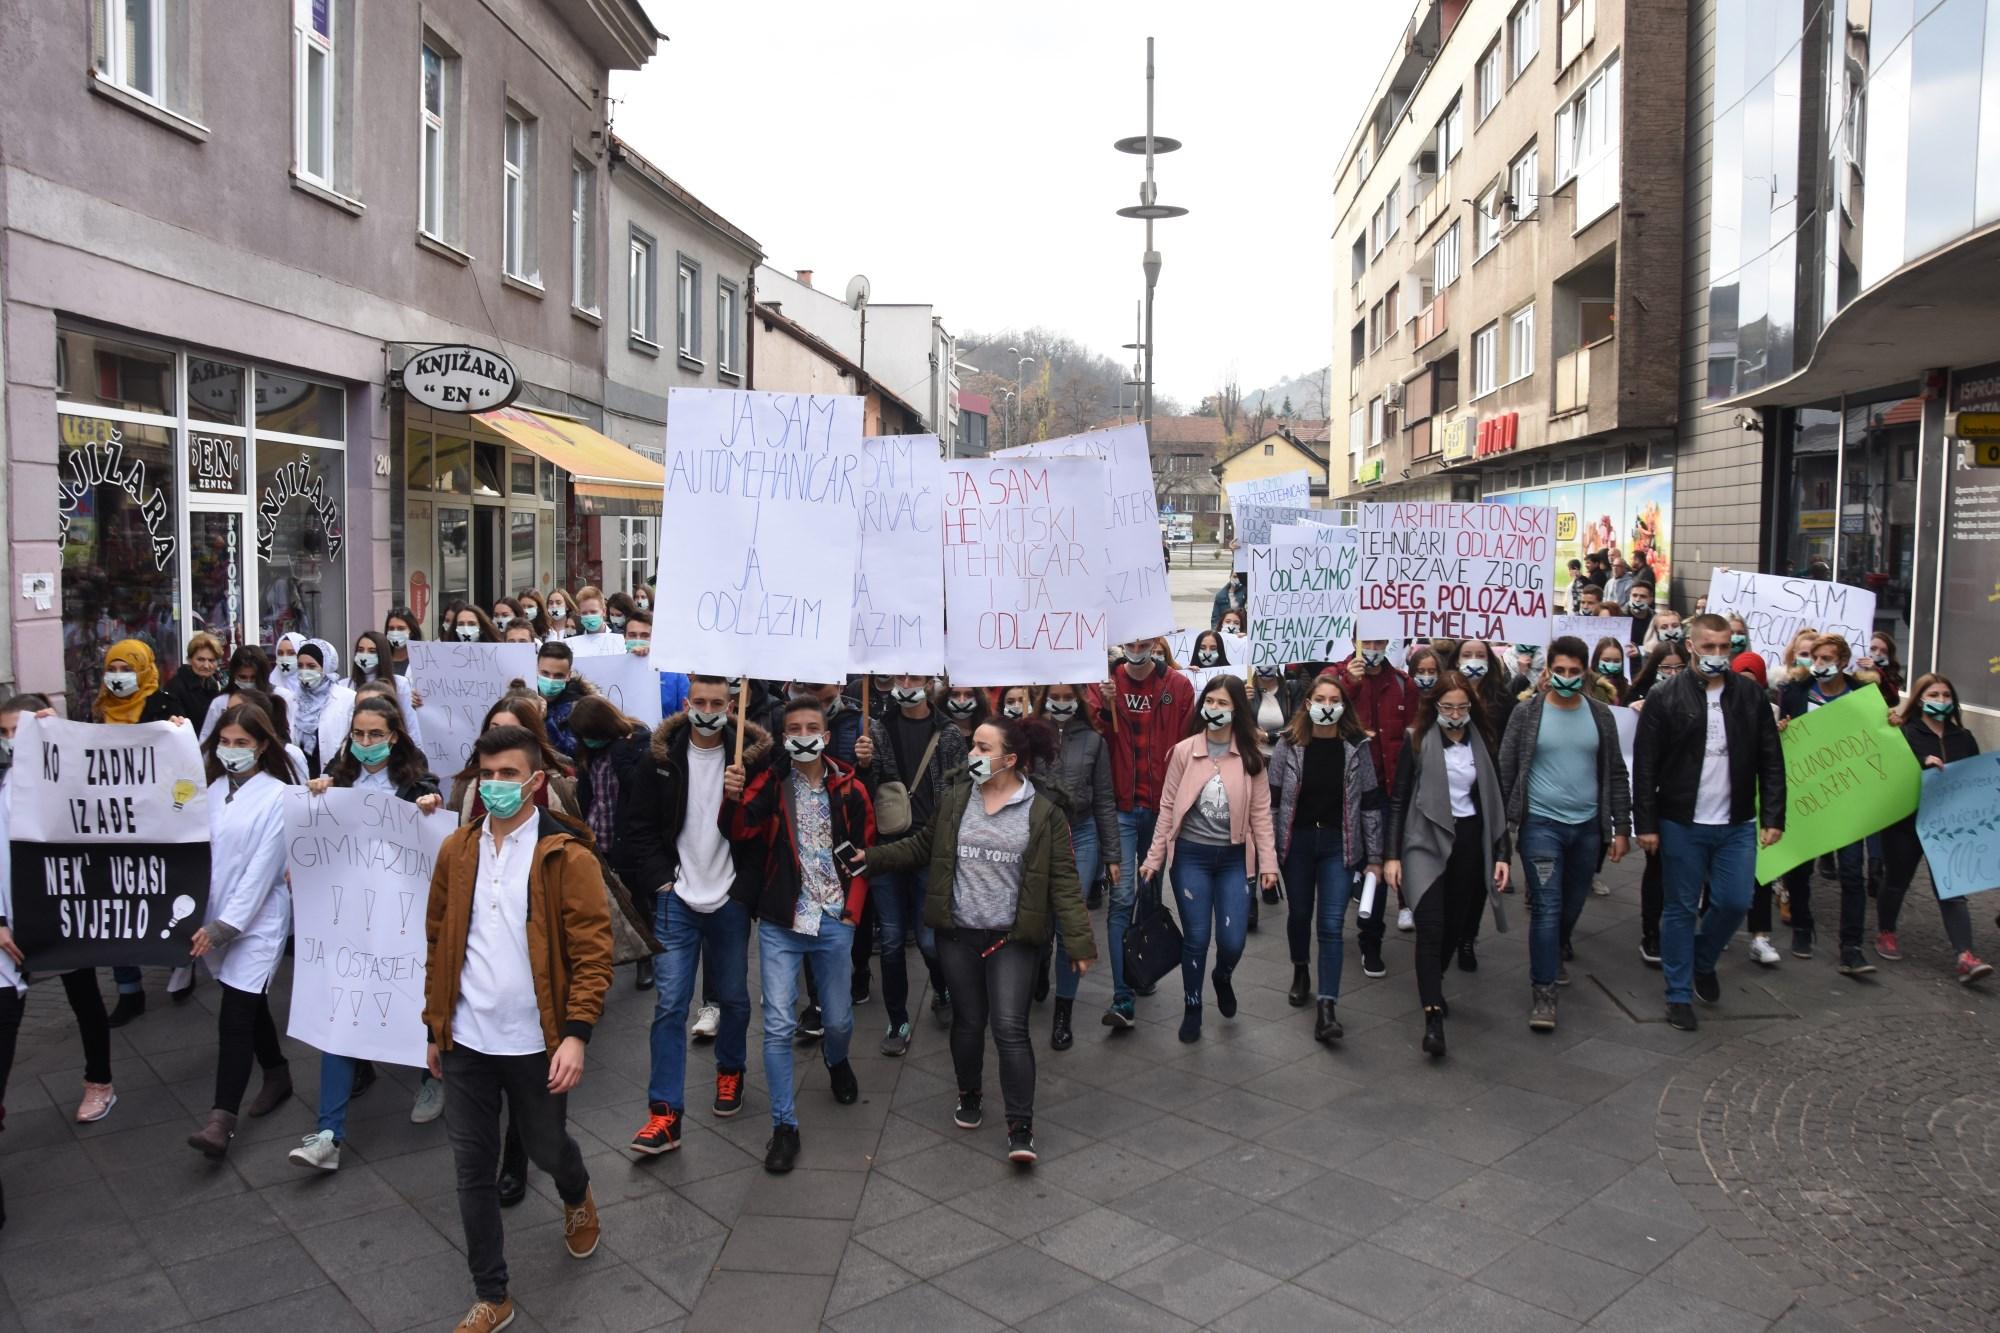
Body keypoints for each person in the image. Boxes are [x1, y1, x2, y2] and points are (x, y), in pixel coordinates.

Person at [424, 725, 611, 1332]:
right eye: (487, 773)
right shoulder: (457, 850)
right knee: (471, 1167)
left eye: (509, 774)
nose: (495, 785)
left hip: (536, 1041)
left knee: (545, 1147)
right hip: (467, 1041)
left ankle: (576, 1191)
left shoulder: (566, 856)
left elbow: (592, 951)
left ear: (535, 783)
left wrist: (577, 1033)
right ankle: (493, 1293)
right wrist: (435, 1026)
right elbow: (439, 939)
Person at [863, 715, 1092, 1162]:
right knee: (969, 1024)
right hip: (959, 933)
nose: (972, 755)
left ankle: (1020, 1125)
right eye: (973, 747)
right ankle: (969, 1093)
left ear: (1009, 759)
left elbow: (1063, 882)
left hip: (1012, 938)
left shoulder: (1042, 812)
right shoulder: (955, 800)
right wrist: (870, 858)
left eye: (983, 749)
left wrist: (1079, 943)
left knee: (1009, 1027)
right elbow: (921, 846)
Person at [287, 697, 446, 1169]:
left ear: (395, 735)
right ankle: (328, 1134)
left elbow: (432, 834)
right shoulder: (337, 780)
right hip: (348, 921)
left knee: (410, 1000)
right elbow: (316, 838)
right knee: (342, 1012)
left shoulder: (418, 783)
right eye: (359, 734)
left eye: (376, 735)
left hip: (402, 920)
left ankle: (430, 1077)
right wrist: (315, 799)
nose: (366, 743)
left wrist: (429, 808)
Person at [617, 678, 767, 1155]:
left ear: (731, 707)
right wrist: (662, 880)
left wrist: (744, 890)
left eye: (716, 703)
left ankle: (730, 1070)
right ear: (686, 704)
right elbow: (636, 827)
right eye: (699, 702)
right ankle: (664, 1114)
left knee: (735, 998)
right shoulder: (659, 760)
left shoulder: (752, 759)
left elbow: (766, 831)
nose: (707, 710)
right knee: (670, 1006)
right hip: (675, 899)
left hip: (729, 899)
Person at [725, 695, 873, 1173]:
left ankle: (837, 1059)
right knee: (777, 1026)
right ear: (784, 737)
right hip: (781, 922)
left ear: (826, 737)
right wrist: (732, 793)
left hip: (833, 920)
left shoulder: (850, 788)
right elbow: (739, 831)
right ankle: (783, 1126)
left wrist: (851, 911)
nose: (803, 734)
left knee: (839, 1020)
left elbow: (867, 855)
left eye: (813, 727)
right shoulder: (771, 782)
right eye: (794, 729)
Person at [1632, 613, 1785, 1031]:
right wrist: (1645, 822)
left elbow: (1771, 759)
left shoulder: (1750, 697)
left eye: (1726, 647)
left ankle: (1701, 958)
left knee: (1736, 901)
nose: (1719, 655)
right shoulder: (1665, 698)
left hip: (1736, 822)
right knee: (1680, 908)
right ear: (1691, 647)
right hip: (1682, 821)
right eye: (1711, 646)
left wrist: (1774, 814)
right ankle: (1678, 994)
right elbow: (1645, 766)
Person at [1499, 637, 1631, 1033]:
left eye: (1575, 672)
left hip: (1588, 827)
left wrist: (1621, 827)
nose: (1568, 678)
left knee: (1572, 903)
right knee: (1547, 907)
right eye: (1561, 671)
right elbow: (1506, 770)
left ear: (1586, 673)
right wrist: (1501, 835)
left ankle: (1557, 947)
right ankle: (1543, 991)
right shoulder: (1527, 714)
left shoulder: (1601, 716)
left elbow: (1616, 772)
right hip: (1541, 825)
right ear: (1548, 671)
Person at [186, 702, 299, 1157]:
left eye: (243, 744)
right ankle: (277, 1072)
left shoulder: (278, 796)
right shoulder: (209, 791)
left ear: (263, 745)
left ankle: (220, 1120)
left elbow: (262, 869)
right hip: (213, 918)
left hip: (257, 921)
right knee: (247, 1005)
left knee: (235, 1013)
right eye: (226, 743)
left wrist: (225, 926)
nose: (232, 751)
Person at [1140, 676, 1277, 1044]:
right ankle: (1193, 1005)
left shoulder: (1250, 756)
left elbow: (1262, 813)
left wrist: (1269, 864)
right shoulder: (1185, 752)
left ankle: (1223, 977)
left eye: (1223, 703)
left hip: (1234, 860)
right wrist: (1154, 859)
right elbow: (1167, 808)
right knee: (1197, 938)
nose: (1214, 709)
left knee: (1233, 941)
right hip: (1191, 858)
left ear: (1237, 710)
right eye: (1210, 702)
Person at [1384, 673, 1509, 1056]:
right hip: (1425, 838)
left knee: (1457, 924)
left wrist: (1502, 854)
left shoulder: (1483, 742)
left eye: (1462, 707)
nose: (1455, 714)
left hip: (1469, 839)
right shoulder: (1417, 741)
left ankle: (1433, 979)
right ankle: (1433, 1015)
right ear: (1434, 707)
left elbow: (1495, 800)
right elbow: (1400, 798)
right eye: (1447, 707)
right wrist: (1391, 855)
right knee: (1432, 926)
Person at [1267, 671, 1384, 1042]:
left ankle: (1328, 1006)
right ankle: (1301, 968)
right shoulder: (1289, 743)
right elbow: (1271, 800)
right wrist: (1268, 851)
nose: (1328, 707)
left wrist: (1375, 856)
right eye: (1322, 700)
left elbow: (1369, 803)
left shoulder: (1357, 747)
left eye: (1335, 701)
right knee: (1300, 914)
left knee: (1332, 926)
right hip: (1297, 843)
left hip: (1338, 845)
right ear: (1308, 704)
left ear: (1343, 706)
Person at [1090, 638, 1195, 1029]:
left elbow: (1188, 745)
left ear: (1155, 641)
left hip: (1160, 810)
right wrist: (1104, 706)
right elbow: (1097, 740)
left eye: (1144, 639)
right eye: (1130, 640)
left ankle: (1141, 964)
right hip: (1120, 808)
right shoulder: (1107, 683)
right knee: (1120, 899)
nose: (1137, 646)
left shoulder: (1178, 687)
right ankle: (1122, 997)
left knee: (1149, 894)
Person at [871, 675, 968, 1055]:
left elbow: (962, 790)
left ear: (929, 681)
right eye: (900, 676)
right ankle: (898, 1020)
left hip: (932, 848)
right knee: (893, 939)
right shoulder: (878, 729)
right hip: (889, 846)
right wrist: (864, 763)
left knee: (929, 939)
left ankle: (941, 986)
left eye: (914, 676)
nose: (906, 682)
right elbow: (867, 786)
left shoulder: (949, 734)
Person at [1775, 634, 1879, 976]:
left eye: (1827, 658)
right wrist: (1782, 729)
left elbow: (1877, 736)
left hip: (1848, 796)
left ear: (1844, 661)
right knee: (1801, 868)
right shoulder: (1796, 692)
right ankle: (1803, 927)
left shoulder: (1863, 694)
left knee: (1852, 872)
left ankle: (1851, 946)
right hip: (1808, 795)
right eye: (1816, 657)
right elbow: (1781, 739)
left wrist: (1890, 722)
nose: (1819, 664)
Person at [1878, 674, 1991, 981]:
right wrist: (1920, 765)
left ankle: (1965, 955)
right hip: (1907, 823)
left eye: (1945, 694)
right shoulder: (1903, 732)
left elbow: (1975, 778)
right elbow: (1890, 774)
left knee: (1953, 887)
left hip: (1947, 826)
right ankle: (1886, 930)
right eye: (1934, 694)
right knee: (1897, 881)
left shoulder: (1963, 737)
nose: (1941, 700)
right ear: (1919, 699)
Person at [1039, 682, 1117, 1048]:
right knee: (1039, 920)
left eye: (1069, 697)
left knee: (1070, 921)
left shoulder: (1094, 741)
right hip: (1037, 836)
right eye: (1055, 696)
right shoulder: (1029, 735)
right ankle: (1040, 964)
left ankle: (1063, 1012)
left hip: (1082, 835)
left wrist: (1112, 855)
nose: (1062, 703)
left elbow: (1104, 799)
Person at [566, 696, 655, 990]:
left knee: (637, 899)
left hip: (627, 835)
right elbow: (588, 791)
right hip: (598, 833)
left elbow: (641, 788)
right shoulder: (589, 752)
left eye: (591, 735)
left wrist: (620, 755)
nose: (588, 741)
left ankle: (646, 957)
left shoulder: (637, 743)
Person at [1340, 639, 1415, 969]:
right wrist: (1349, 685)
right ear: (1354, 642)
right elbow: (1321, 718)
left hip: (1383, 794)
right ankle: (1331, 922)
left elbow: (1414, 738)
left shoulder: (1402, 684)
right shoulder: (1336, 676)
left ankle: (1371, 939)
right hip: (1342, 793)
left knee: (1378, 866)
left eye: (1378, 642)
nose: (1372, 647)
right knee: (1341, 866)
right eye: (1365, 641)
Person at [534, 641, 592, 758]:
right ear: (536, 669)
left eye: (558, 675)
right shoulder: (521, 699)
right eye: (545, 673)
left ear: (568, 676)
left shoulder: (580, 709)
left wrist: (543, 721)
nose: (550, 680)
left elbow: (573, 753)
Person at [164, 631, 227, 724]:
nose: (206, 665)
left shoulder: (212, 684)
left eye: (211, 660)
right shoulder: (176, 687)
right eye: (201, 659)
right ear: (189, 660)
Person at [1589, 636, 1631, 705]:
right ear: (1597, 660)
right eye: (1606, 660)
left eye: (1616, 661)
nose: (1611, 664)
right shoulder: (1587, 685)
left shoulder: (1626, 688)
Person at [385, 607, 422, 676]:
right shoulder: (381, 660)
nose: (395, 632)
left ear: (412, 631)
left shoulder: (422, 661)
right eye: (391, 628)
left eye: (401, 628)